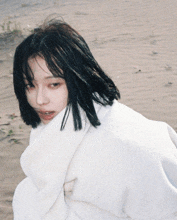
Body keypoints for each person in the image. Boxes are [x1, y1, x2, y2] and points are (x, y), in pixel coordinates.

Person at [12, 18, 177, 220]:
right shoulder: (60, 120)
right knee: (27, 195)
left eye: (54, 84)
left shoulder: (125, 146)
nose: (39, 100)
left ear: (79, 77)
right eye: (30, 85)